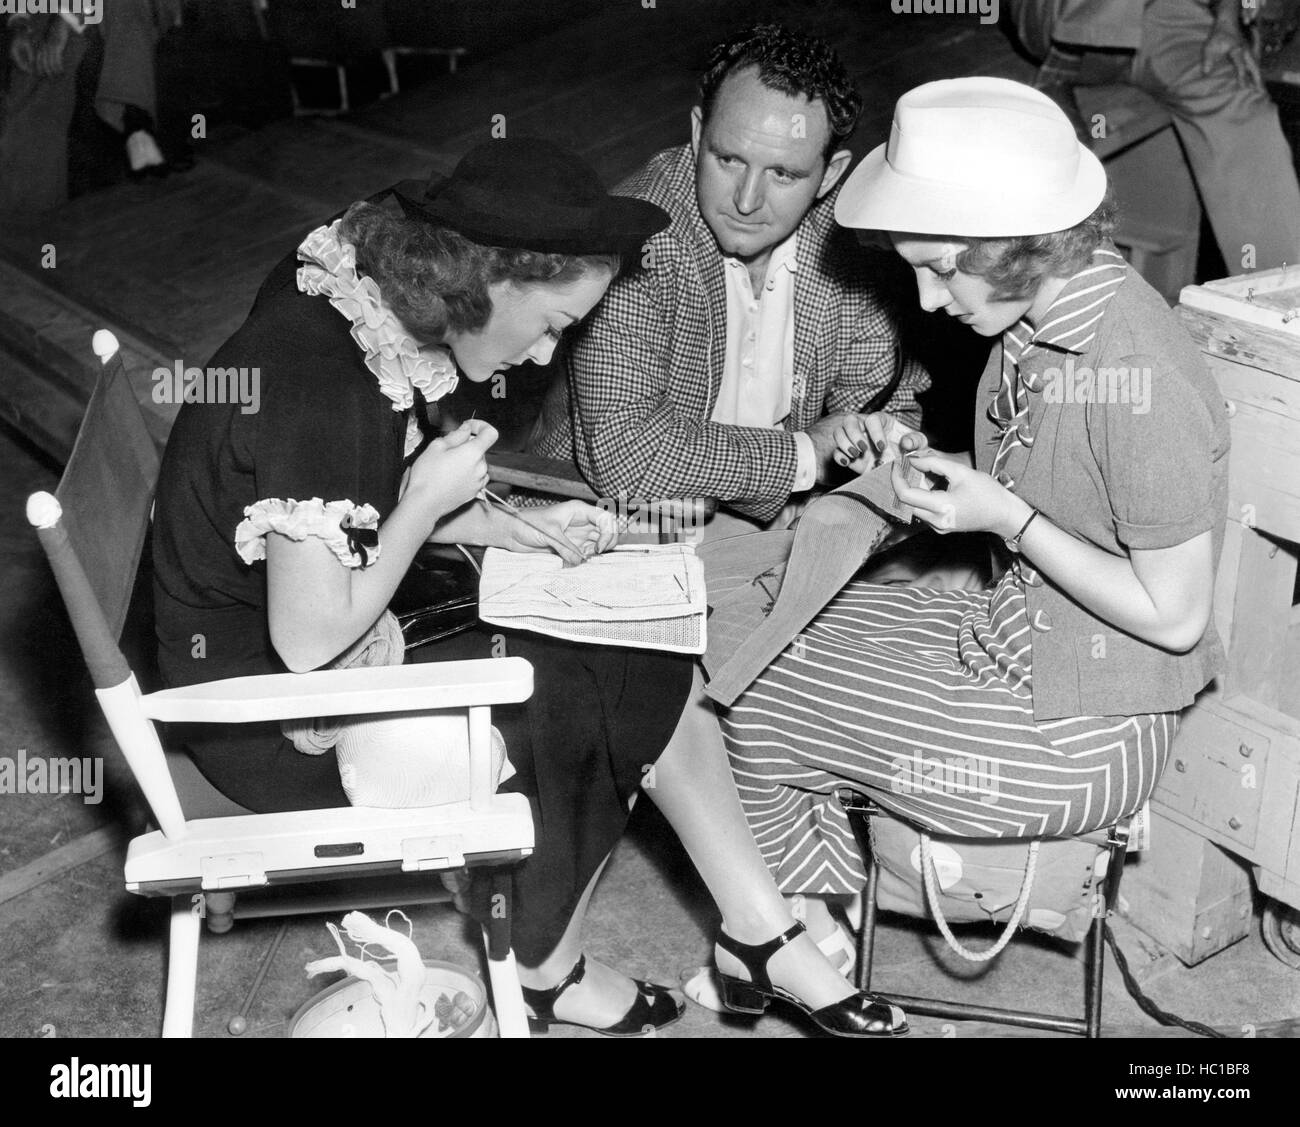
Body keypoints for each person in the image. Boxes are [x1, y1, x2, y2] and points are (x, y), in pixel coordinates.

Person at [151, 137, 905, 1038]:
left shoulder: (358, 306)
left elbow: (338, 506)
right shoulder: (320, 380)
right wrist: (431, 496)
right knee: (590, 682)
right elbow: (311, 640)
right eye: (550, 323)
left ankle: (750, 931)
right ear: (483, 283)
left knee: (653, 647)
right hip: (265, 717)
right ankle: (555, 966)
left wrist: (495, 522)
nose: (549, 356)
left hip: (279, 628)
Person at [716, 77, 1230, 959]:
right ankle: (820, 920)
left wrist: (1008, 517)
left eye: (943, 267)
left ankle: (797, 943)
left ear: (1027, 243)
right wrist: (952, 477)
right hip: (1027, 634)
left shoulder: (1139, 369)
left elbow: (1177, 617)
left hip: (1085, 729)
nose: (923, 299)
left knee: (750, 694)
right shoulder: (1039, 321)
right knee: (756, 616)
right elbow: (1063, 486)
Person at [530, 23, 931, 536]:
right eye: (728, 159)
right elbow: (625, 455)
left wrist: (882, 442)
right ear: (698, 134)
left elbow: (884, 399)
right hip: (602, 517)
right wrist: (807, 453)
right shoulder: (635, 241)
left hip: (772, 521)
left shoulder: (848, 246)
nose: (745, 200)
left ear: (829, 177)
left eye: (783, 175)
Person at [1006, 0, 1300, 273]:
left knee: (1243, 114)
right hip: (1058, 15)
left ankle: (1280, 304)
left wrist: (1227, 22)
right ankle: (1060, 71)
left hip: (1165, 14)